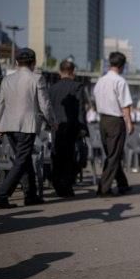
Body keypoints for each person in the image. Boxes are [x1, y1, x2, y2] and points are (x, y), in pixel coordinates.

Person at [0, 48, 56, 209]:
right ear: (33, 62)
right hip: (27, 125)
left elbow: (0, 103)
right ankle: (1, 195)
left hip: (8, 125)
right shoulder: (37, 78)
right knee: (21, 160)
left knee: (24, 159)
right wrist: (52, 121)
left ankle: (31, 195)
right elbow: (45, 104)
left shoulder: (7, 79)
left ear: (16, 62)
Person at [92, 51, 134, 197]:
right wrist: (129, 123)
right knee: (114, 156)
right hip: (116, 121)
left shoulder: (100, 80)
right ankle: (103, 189)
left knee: (112, 154)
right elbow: (125, 105)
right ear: (122, 66)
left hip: (103, 120)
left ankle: (123, 184)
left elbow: (94, 99)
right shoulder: (120, 81)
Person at [49, 57, 88, 198]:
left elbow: (48, 108)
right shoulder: (77, 86)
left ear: (60, 71)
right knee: (71, 157)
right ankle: (67, 186)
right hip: (72, 127)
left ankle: (57, 184)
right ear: (73, 71)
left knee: (57, 155)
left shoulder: (52, 88)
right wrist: (83, 128)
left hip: (56, 127)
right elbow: (80, 110)